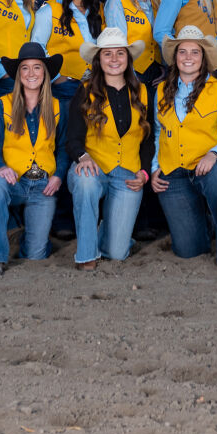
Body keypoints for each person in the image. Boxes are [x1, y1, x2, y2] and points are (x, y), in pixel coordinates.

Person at [151, 26, 217, 272]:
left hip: (212, 167)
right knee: (189, 249)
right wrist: (155, 167)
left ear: (203, 58)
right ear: (175, 57)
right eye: (182, 52)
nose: (188, 57)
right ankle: (208, 222)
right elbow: (160, 132)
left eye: (195, 52)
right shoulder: (161, 91)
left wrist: (213, 154)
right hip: (175, 170)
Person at [66, 27, 154, 270]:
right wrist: (83, 157)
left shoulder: (143, 91)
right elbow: (72, 139)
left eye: (120, 53)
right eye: (107, 54)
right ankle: (86, 256)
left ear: (128, 58)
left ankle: (110, 230)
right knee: (85, 182)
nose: (114, 59)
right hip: (93, 167)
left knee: (116, 253)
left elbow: (149, 140)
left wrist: (145, 172)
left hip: (128, 173)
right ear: (99, 59)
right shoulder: (85, 90)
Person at [0, 43, 66, 275]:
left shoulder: (57, 107)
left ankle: (23, 236)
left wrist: (58, 175)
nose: (31, 73)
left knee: (35, 254)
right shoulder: (4, 104)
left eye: (37, 67)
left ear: (45, 73)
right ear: (18, 74)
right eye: (25, 68)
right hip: (14, 182)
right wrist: (1, 167)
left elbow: (63, 149)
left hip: (43, 186)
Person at [32, 0, 105, 103]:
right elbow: (37, 49)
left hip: (96, 85)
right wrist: (57, 78)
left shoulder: (101, 10)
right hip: (63, 87)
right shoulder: (48, 11)